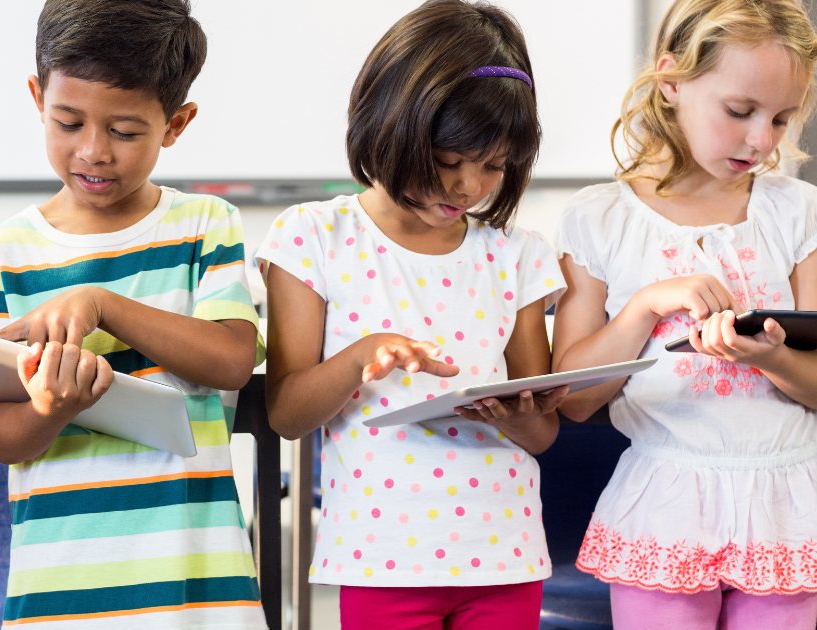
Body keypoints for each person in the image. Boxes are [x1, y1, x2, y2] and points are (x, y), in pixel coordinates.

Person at [0, 0, 266, 627]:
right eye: (68, 122)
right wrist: (52, 408)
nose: (93, 151)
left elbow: (231, 361)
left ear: (176, 123)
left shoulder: (204, 225)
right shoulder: (2, 255)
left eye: (125, 131)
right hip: (63, 583)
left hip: (194, 582)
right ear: (37, 98)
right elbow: (1, 439)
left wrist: (103, 304)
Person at [257, 2, 567, 628]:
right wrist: (359, 355)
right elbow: (287, 416)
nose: (467, 188)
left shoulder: (518, 256)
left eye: (493, 166)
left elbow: (544, 433)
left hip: (504, 555)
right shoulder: (315, 237)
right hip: (381, 559)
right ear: (388, 126)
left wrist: (520, 416)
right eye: (449, 162)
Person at [551, 0, 817, 627]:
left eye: (781, 120)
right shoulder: (597, 220)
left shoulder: (798, 211)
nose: (761, 140)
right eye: (738, 111)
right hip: (665, 504)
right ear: (670, 81)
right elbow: (573, 398)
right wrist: (645, 306)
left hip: (789, 504)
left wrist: (773, 357)